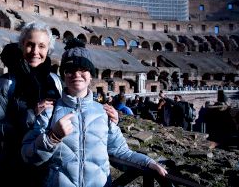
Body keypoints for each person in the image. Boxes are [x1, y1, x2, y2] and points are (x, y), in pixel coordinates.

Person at [0, 23, 119, 187]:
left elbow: (72, 112)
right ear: (22, 46)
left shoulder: (54, 80)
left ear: (48, 50)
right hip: (13, 169)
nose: (35, 51)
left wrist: (109, 121)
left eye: (41, 46)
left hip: (49, 169)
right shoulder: (6, 83)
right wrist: (30, 116)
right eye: (30, 45)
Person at [22, 40, 167, 187]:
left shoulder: (104, 113)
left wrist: (148, 163)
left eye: (83, 69)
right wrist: (53, 137)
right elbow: (28, 156)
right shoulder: (49, 111)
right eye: (69, 70)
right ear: (64, 76)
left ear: (91, 75)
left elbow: (121, 152)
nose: (76, 74)